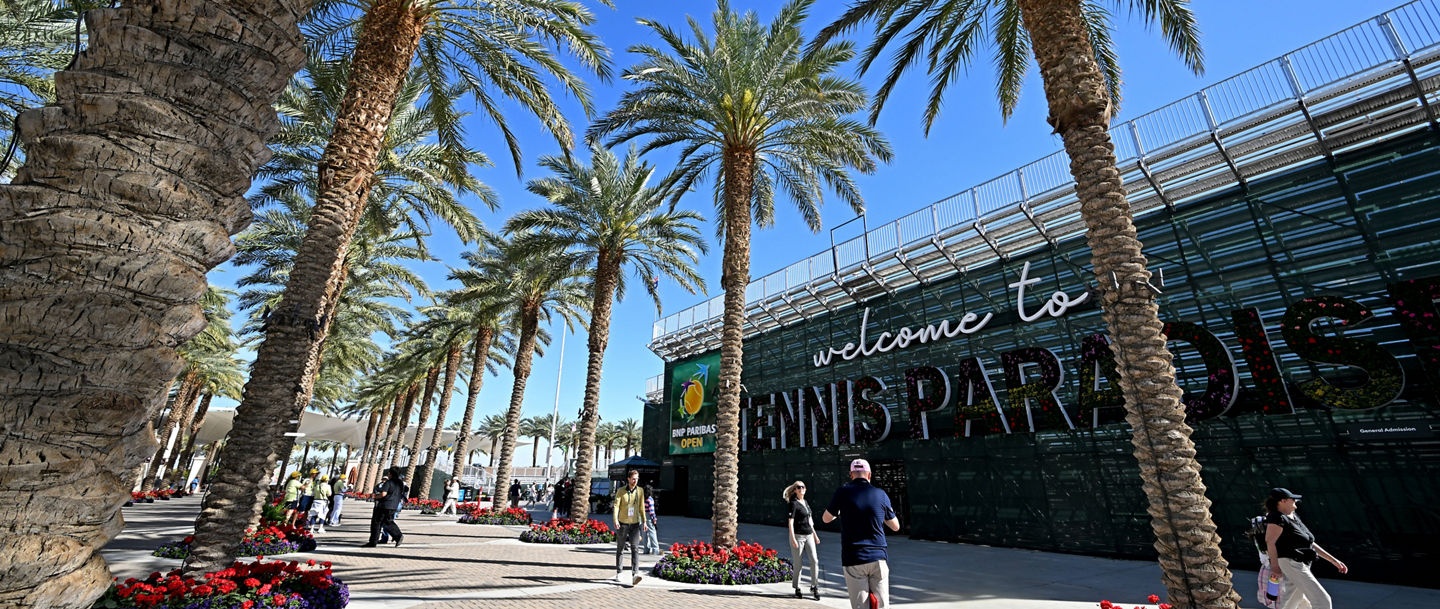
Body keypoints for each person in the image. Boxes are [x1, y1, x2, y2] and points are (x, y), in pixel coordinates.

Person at [823, 459, 899, 609]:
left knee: (860, 606)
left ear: (851, 475)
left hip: (854, 558)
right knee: (882, 605)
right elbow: (895, 526)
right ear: (869, 475)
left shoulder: (842, 492)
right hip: (878, 556)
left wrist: (841, 510)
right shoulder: (880, 494)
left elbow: (826, 519)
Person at [1264, 488, 1347, 609]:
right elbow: (1270, 541)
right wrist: (1275, 568)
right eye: (1293, 499)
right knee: (1323, 601)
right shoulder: (1277, 517)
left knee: (1292, 602)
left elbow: (1310, 542)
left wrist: (1334, 561)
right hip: (1291, 562)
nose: (1295, 501)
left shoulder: (1293, 516)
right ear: (1283, 501)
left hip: (1302, 563)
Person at [785, 480, 822, 600]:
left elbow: (810, 521)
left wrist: (815, 535)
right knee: (798, 564)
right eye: (799, 487)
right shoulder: (793, 503)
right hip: (798, 536)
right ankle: (797, 587)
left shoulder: (805, 502)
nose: (802, 489)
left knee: (814, 561)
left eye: (803, 487)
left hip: (809, 535)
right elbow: (791, 522)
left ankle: (814, 586)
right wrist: (792, 538)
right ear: (795, 490)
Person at [612, 469, 648, 586]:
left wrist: (645, 522)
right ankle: (619, 572)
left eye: (637, 479)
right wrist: (616, 520)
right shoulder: (621, 491)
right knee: (620, 548)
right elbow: (616, 506)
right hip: (623, 523)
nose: (635, 481)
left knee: (635, 548)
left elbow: (642, 507)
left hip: (635, 524)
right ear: (628, 479)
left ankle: (635, 574)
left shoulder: (640, 491)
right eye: (633, 479)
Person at [363, 467, 406, 548]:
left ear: (390, 474)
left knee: (376, 523)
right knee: (388, 522)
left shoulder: (388, 483)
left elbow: (383, 494)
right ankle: (398, 536)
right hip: (394, 505)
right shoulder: (400, 483)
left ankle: (373, 542)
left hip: (384, 505)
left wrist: (375, 496)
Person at [641, 484, 661, 555]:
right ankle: (655, 549)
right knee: (652, 533)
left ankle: (646, 549)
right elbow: (651, 511)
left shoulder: (642, 499)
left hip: (642, 517)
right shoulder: (650, 499)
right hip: (649, 517)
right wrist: (654, 519)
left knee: (644, 534)